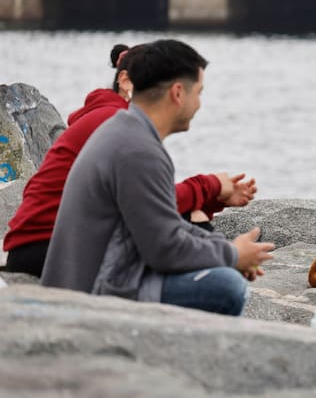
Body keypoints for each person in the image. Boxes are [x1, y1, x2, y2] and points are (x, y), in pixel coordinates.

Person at [41, 39, 274, 316]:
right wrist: (232, 256)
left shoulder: (127, 132)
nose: (199, 104)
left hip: (101, 275)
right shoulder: (136, 148)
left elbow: (167, 225)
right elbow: (164, 249)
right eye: (198, 92)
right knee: (226, 288)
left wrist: (226, 249)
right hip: (93, 293)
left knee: (218, 269)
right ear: (178, 93)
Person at [3, 43, 256, 277]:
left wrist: (212, 196)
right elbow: (152, 204)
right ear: (125, 81)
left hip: (46, 244)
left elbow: (146, 200)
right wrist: (208, 187)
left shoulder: (115, 119)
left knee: (193, 218)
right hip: (48, 248)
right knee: (203, 243)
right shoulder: (116, 123)